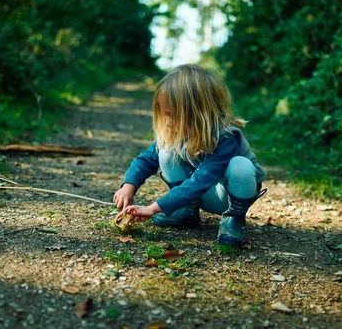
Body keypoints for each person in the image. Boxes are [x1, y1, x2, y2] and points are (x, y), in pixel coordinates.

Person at [114, 64, 267, 247]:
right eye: (165, 115)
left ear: (197, 113)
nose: (168, 122)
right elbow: (146, 159)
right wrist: (128, 186)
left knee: (240, 165)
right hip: (199, 193)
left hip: (226, 196)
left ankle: (234, 220)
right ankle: (185, 211)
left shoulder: (226, 137)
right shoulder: (178, 133)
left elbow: (200, 181)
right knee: (166, 150)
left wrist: (153, 208)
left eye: (172, 115)